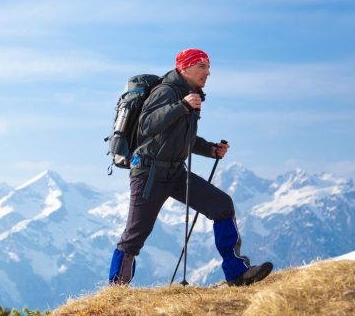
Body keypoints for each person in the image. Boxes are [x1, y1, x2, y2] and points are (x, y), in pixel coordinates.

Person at [108, 48, 273, 286]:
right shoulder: (165, 91)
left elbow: (182, 138)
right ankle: (116, 290)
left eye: (208, 67)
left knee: (222, 205)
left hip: (175, 172)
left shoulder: (189, 94)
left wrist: (210, 149)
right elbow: (146, 125)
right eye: (202, 66)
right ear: (185, 68)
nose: (208, 72)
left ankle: (238, 273)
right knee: (134, 236)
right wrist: (182, 106)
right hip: (149, 174)